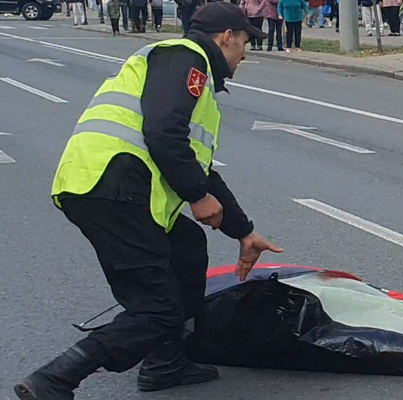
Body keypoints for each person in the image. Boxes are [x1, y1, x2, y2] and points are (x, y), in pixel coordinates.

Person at [13, 3, 278, 399]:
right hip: (114, 188)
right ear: (225, 37)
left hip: (114, 188)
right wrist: (196, 195)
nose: (244, 54)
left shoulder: (192, 74)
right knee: (157, 309)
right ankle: (55, 378)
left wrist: (245, 232)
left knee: (186, 248)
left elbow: (199, 165)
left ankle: (166, 363)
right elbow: (163, 133)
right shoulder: (185, 59)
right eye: (243, 43)